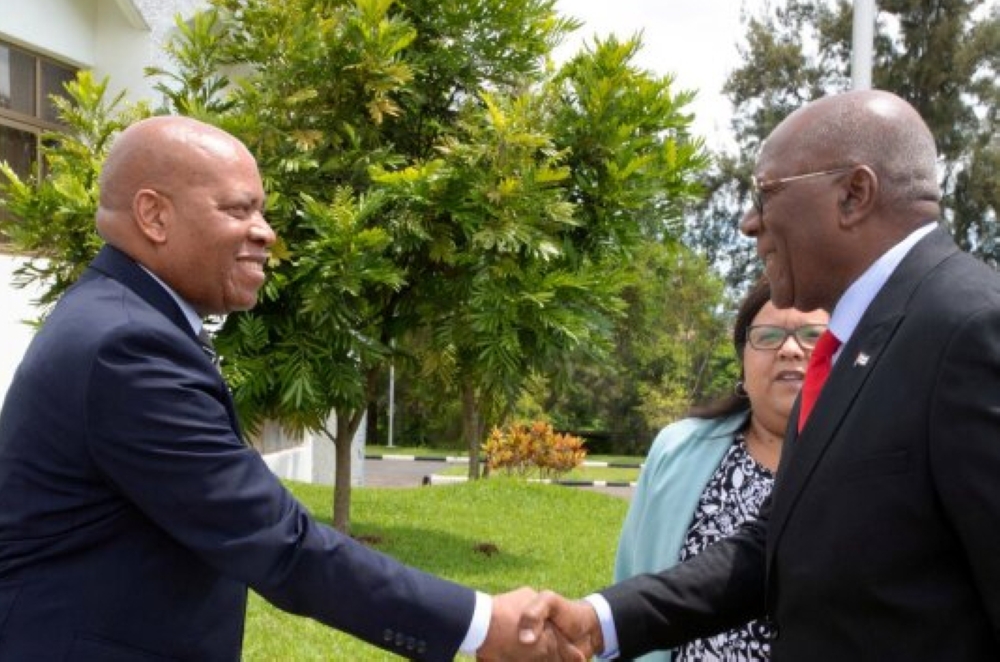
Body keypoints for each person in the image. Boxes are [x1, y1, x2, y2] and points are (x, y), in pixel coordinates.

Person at [0, 116, 582, 662]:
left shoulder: (124, 320)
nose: (265, 233)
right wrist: (481, 624)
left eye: (263, 212)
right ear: (154, 215)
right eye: (239, 210)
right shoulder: (127, 346)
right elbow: (278, 543)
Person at [516, 89, 1000, 660]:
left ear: (853, 195)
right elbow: (772, 544)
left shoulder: (970, 329)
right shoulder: (857, 341)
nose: (749, 223)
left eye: (766, 194)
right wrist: (599, 621)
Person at [615, 277, 827, 662]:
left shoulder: (867, 464)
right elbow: (633, 575)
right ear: (742, 360)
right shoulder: (678, 449)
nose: (791, 350)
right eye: (768, 336)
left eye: (814, 335)